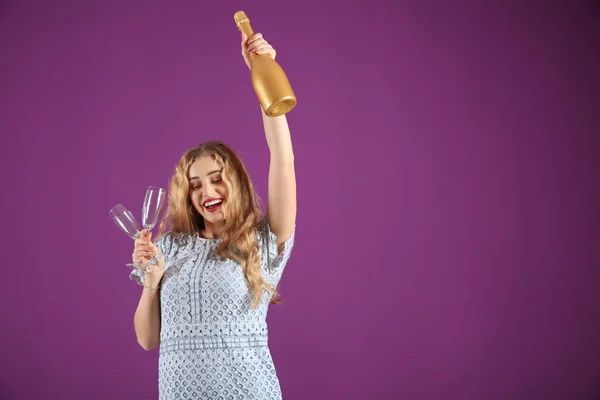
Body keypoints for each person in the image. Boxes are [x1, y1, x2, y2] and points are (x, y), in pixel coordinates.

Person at [128, 30, 296, 400]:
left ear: (235, 182)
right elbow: (147, 340)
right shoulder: (169, 246)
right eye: (196, 184)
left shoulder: (263, 240)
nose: (208, 192)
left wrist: (261, 70)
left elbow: (283, 159)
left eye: (217, 180)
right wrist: (151, 280)